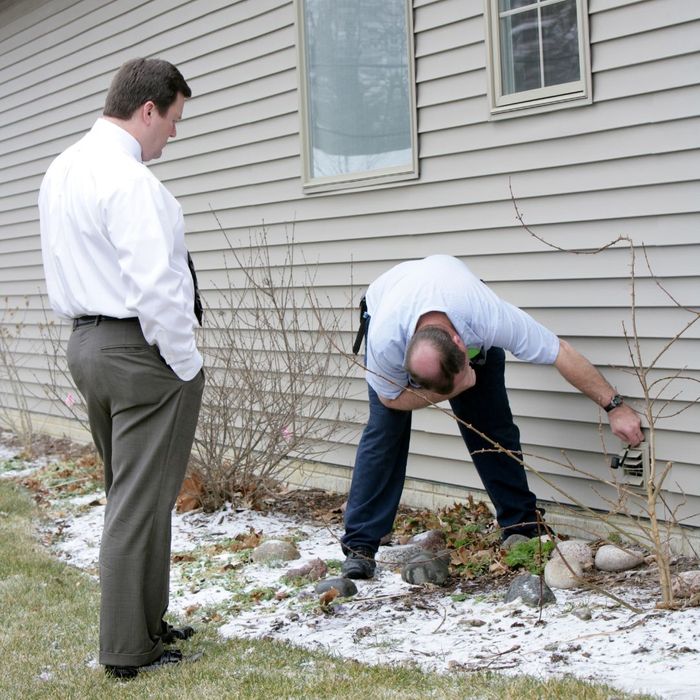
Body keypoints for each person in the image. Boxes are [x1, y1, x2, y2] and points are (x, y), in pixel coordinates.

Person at [38, 58, 205, 679]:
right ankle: (126, 649)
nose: (174, 134)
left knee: (133, 494)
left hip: (87, 345)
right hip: (140, 352)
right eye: (174, 120)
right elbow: (157, 286)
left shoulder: (63, 169)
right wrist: (186, 364)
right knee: (139, 502)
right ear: (148, 111)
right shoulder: (131, 180)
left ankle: (146, 623)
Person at [341, 255, 644, 579]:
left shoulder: (486, 316)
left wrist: (616, 407)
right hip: (390, 303)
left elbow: (560, 352)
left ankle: (522, 526)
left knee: (492, 425)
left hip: (454, 310)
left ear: (462, 343)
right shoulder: (386, 341)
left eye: (461, 376)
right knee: (384, 435)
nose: (459, 390)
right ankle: (360, 546)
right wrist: (448, 390)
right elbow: (391, 399)